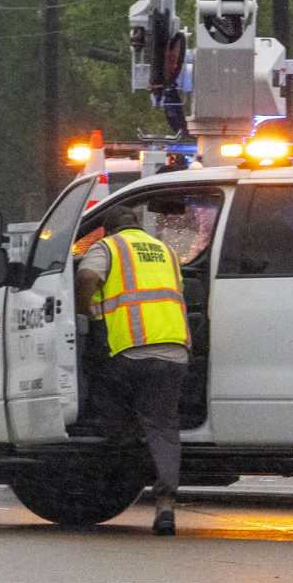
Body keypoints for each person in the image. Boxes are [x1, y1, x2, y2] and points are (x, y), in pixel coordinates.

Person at [75, 205, 191, 536]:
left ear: (108, 230)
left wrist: (83, 311)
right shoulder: (165, 250)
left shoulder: (107, 247)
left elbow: (86, 277)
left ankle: (123, 465)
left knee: (104, 404)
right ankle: (165, 504)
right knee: (163, 425)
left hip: (127, 352)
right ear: (138, 225)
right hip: (174, 351)